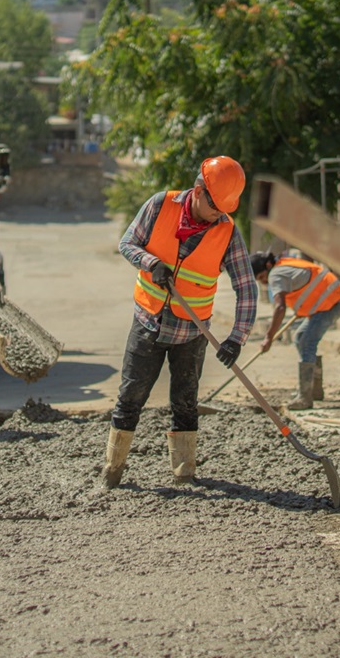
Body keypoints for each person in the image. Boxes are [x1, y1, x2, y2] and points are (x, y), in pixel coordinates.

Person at [102, 156, 258, 487]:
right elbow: (127, 242)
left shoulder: (227, 232)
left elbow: (246, 288)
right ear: (198, 190)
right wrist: (149, 262)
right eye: (215, 205)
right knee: (130, 398)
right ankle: (112, 473)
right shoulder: (161, 205)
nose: (219, 213)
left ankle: (184, 477)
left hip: (191, 333)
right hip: (149, 323)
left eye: (225, 208)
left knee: (186, 404)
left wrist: (236, 338)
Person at [249, 251, 340, 409]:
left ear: (268, 266)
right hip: (332, 300)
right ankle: (314, 391)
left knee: (306, 342)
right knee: (300, 337)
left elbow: (280, 307)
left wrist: (268, 337)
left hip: (331, 303)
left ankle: (305, 398)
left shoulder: (276, 274)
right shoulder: (284, 264)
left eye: (262, 277)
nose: (263, 282)